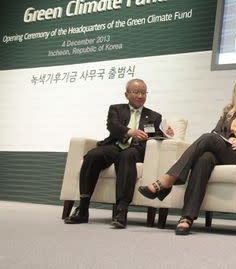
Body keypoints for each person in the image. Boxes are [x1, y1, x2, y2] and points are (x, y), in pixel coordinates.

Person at [138, 74, 236, 235]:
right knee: (204, 159)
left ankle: (167, 180)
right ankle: (187, 218)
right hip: (226, 151)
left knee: (207, 138)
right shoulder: (229, 111)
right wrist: (231, 139)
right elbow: (216, 133)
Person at [65, 78, 171, 228]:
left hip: (136, 149)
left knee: (127, 156)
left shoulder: (154, 116)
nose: (140, 96)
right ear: (126, 94)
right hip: (115, 145)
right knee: (93, 155)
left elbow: (156, 136)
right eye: (136, 92)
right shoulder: (116, 109)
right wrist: (129, 132)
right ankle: (83, 208)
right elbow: (113, 126)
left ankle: (121, 211)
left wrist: (168, 135)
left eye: (143, 93)